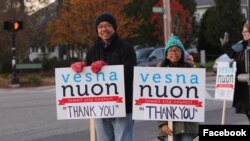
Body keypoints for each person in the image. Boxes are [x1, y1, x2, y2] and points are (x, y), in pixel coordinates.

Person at [71, 12, 137, 141]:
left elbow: (130, 72)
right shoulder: (93, 50)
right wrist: (81, 67)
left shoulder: (126, 48)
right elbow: (88, 76)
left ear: (114, 28)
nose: (103, 29)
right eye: (100, 27)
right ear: (97, 30)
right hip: (100, 107)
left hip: (123, 105)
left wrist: (105, 68)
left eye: (107, 25)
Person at [157, 35, 198, 141]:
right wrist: (162, 124)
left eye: (177, 50)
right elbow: (156, 102)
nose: (174, 53)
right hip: (168, 125)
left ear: (182, 53)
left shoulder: (190, 70)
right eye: (171, 50)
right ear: (166, 54)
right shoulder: (158, 73)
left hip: (187, 123)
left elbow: (197, 96)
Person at [220, 21, 250, 124]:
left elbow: (243, 62)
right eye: (243, 31)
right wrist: (226, 46)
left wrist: (237, 62)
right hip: (245, 90)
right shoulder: (245, 46)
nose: (243, 34)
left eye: (246, 31)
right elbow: (237, 56)